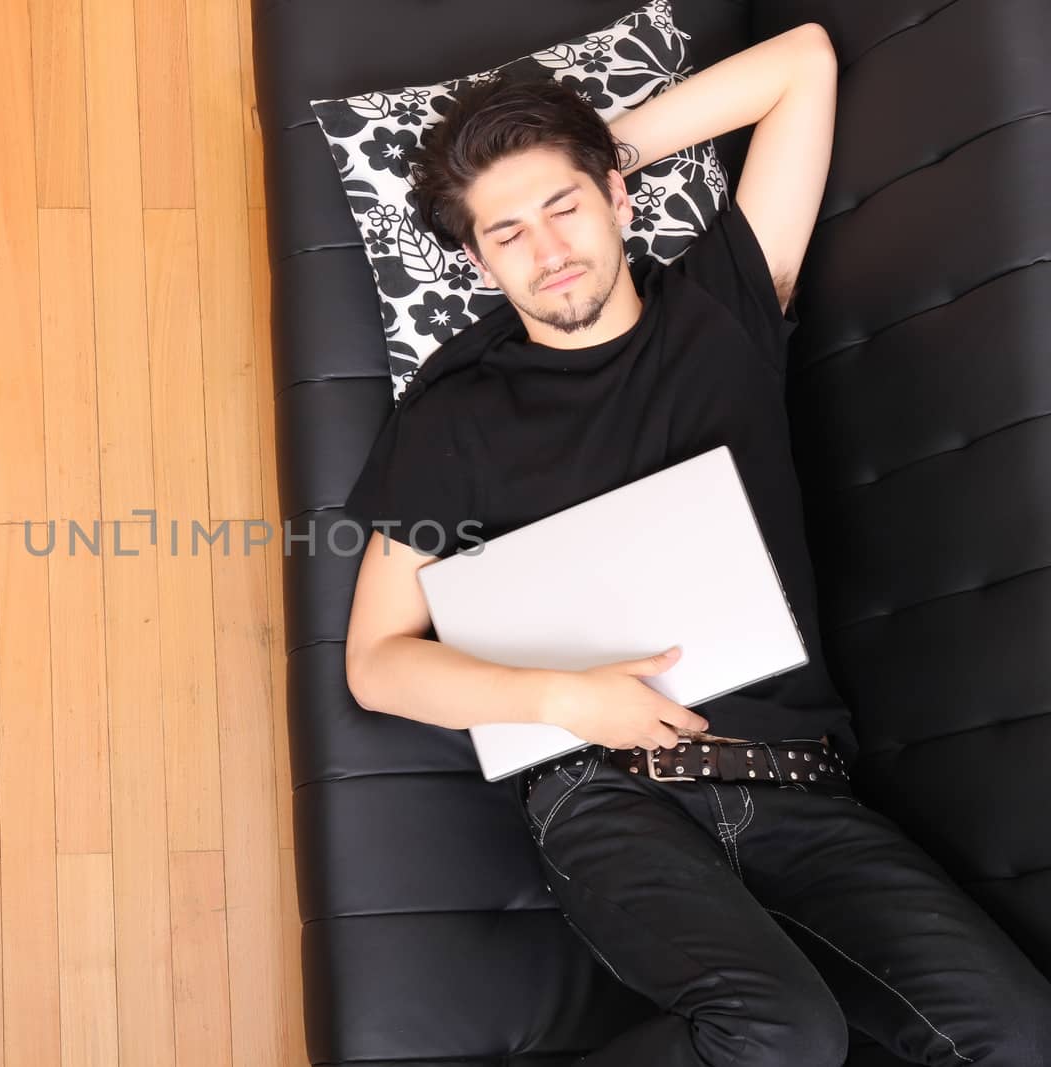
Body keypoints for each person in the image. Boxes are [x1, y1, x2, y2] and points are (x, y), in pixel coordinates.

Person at [342, 23, 1051, 1066]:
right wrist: (567, 700)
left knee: (1020, 1032)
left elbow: (800, 62)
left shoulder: (724, 304)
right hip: (607, 790)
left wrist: (597, 141)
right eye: (506, 234)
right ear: (476, 260)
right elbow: (375, 663)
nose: (548, 252)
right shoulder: (451, 412)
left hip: (801, 784)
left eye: (564, 206)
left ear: (619, 197)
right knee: (784, 1035)